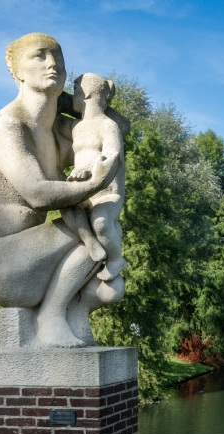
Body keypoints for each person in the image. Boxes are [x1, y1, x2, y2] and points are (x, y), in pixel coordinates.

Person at [0, 33, 124, 348]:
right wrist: (96, 181)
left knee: (103, 222)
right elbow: (38, 194)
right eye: (40, 56)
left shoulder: (54, 133)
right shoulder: (6, 127)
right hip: (0, 261)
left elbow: (115, 129)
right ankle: (52, 316)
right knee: (97, 227)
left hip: (28, 253)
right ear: (17, 71)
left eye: (58, 57)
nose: (53, 64)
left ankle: (74, 310)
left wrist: (94, 107)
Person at [61, 72, 128, 282]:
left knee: (100, 222)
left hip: (107, 193)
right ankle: (91, 243)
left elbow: (111, 155)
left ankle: (116, 259)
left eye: (75, 91)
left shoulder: (108, 125)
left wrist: (89, 170)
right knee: (64, 204)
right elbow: (51, 121)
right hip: (84, 190)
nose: (73, 97)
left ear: (87, 93)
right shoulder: (76, 127)